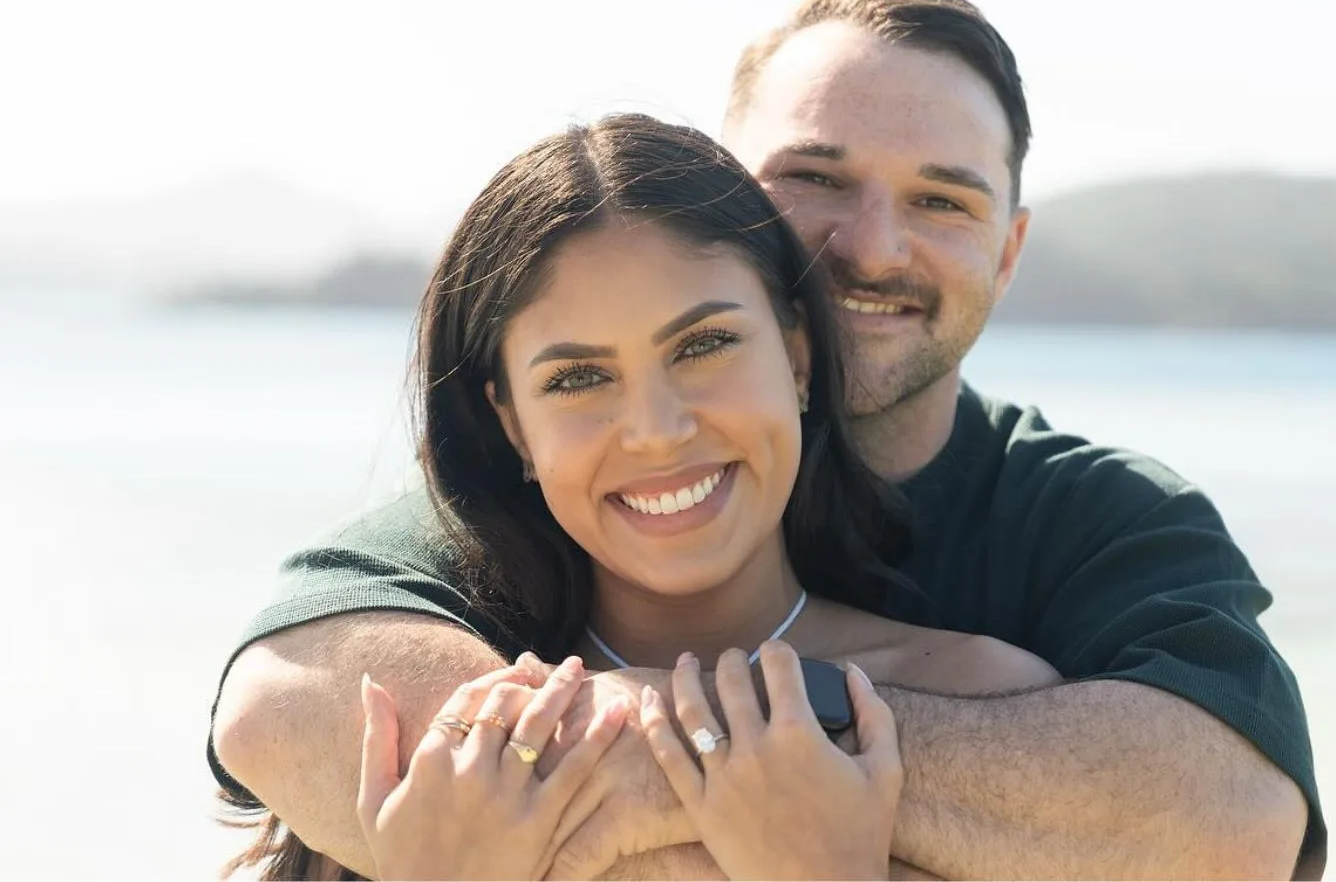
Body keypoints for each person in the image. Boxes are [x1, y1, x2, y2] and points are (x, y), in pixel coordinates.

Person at [212, 0, 1324, 879]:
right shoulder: (497, 519)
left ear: (1011, 247)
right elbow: (276, 705)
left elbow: (1227, 827)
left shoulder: (1093, 527)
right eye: (815, 177)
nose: (874, 247)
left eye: (943, 199)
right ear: (731, 197)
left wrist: (669, 755)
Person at [340, 112, 1060, 881]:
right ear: (513, 426)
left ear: (797, 355)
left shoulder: (998, 703)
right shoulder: (435, 756)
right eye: (578, 378)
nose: (657, 432)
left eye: (705, 345)